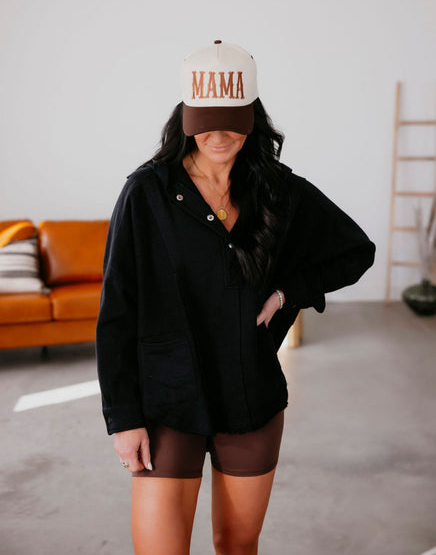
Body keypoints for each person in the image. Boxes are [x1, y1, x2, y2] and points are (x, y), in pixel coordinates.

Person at [95, 40, 376, 555]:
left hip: (252, 398)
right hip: (166, 403)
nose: (219, 134)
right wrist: (123, 418)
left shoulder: (279, 191)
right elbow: (117, 310)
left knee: (237, 547)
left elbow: (356, 251)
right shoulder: (147, 193)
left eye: (232, 121)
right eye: (206, 121)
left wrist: (288, 292)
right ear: (186, 117)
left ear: (252, 117)